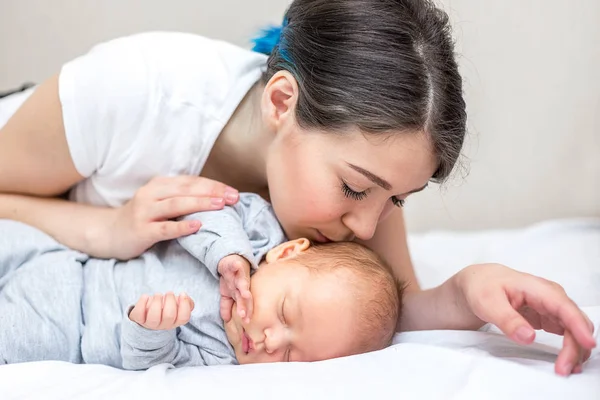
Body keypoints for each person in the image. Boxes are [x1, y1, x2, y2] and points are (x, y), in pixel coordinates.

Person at [0, 0, 594, 375]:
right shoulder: (135, 92)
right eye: (358, 190)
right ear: (283, 102)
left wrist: (465, 293)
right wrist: (107, 229)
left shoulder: (363, 188)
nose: (367, 228)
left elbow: (374, 310)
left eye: (397, 200)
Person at [0, 193, 403, 368]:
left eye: (291, 356)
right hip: (68, 257)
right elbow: (204, 211)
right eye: (283, 312)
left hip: (68, 327)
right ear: (286, 253)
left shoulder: (221, 358)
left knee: (20, 341)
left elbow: (151, 364)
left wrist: (152, 331)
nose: (270, 341)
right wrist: (228, 253)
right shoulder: (259, 232)